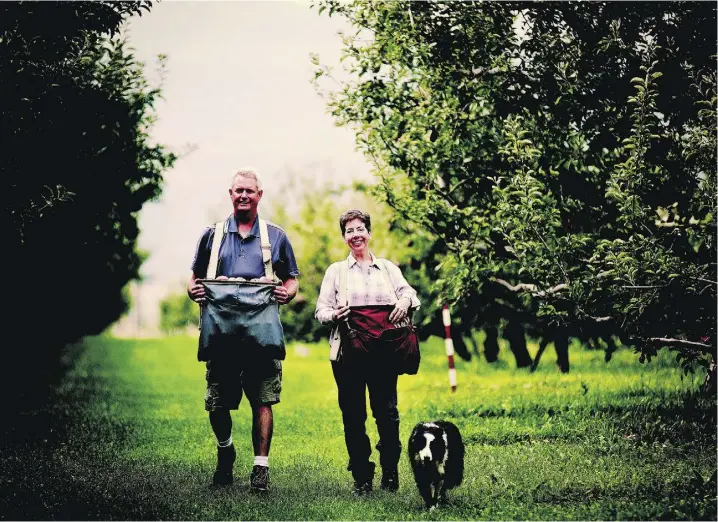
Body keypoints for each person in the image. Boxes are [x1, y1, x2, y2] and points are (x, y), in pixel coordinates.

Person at [187, 167, 299, 492]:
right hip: (221, 336)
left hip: (261, 337)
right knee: (218, 403)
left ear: (259, 195)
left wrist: (286, 292)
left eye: (250, 191)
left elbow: (291, 278)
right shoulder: (212, 234)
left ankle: (260, 469)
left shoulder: (275, 236)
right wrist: (193, 290)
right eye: (238, 191)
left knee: (263, 399)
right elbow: (194, 277)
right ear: (231, 195)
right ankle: (226, 451)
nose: (244, 196)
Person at [315, 209, 420, 495]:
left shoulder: (387, 268)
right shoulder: (336, 272)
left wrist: (405, 302)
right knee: (353, 415)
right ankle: (362, 476)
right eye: (349, 231)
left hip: (384, 353)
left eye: (360, 229)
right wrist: (334, 314)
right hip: (348, 355)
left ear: (369, 233)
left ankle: (390, 471)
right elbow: (320, 310)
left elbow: (411, 294)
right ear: (344, 237)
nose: (356, 235)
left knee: (386, 413)